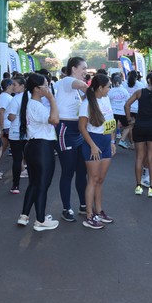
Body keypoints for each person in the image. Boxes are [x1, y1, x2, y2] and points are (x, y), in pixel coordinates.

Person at [17, 72, 60, 231]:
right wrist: (51, 99)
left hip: (34, 146)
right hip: (42, 147)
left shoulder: (32, 104)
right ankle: (40, 220)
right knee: (42, 184)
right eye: (46, 86)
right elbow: (55, 120)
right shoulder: (36, 105)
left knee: (34, 183)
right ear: (37, 89)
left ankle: (24, 215)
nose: (48, 88)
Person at [79, 73, 117, 229]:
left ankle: (99, 210)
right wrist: (93, 145)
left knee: (100, 179)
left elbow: (111, 121)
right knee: (93, 179)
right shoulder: (87, 103)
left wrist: (113, 141)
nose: (110, 89)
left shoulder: (106, 99)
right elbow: (81, 127)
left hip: (106, 141)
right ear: (100, 87)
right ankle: (89, 215)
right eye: (108, 86)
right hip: (92, 143)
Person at [54, 57, 89, 222]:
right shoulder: (68, 81)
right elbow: (81, 86)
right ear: (73, 68)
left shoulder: (75, 89)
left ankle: (83, 204)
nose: (86, 72)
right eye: (83, 68)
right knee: (68, 172)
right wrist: (93, 91)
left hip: (78, 131)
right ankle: (66, 208)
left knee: (82, 171)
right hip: (64, 131)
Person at [126, 72, 152, 197]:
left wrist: (129, 120)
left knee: (139, 157)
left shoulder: (139, 92)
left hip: (139, 125)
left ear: (148, 80)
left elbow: (127, 104)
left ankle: (138, 186)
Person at [5, 75, 28, 194]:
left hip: (16, 132)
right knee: (30, 158)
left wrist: (9, 116)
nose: (12, 87)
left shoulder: (15, 99)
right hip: (29, 132)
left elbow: (12, 116)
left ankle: (15, 185)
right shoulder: (31, 97)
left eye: (14, 84)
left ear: (22, 86)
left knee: (17, 159)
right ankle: (34, 183)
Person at [121, 70, 146, 149]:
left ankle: (132, 143)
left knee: (130, 126)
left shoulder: (124, 84)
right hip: (137, 108)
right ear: (137, 77)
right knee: (134, 126)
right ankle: (132, 142)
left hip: (127, 107)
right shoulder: (140, 85)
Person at [108, 73, 131, 149]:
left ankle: (112, 142)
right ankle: (122, 140)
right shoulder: (124, 91)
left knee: (112, 128)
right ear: (121, 82)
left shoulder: (110, 91)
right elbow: (128, 102)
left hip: (113, 111)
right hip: (122, 112)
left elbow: (107, 100)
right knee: (128, 126)